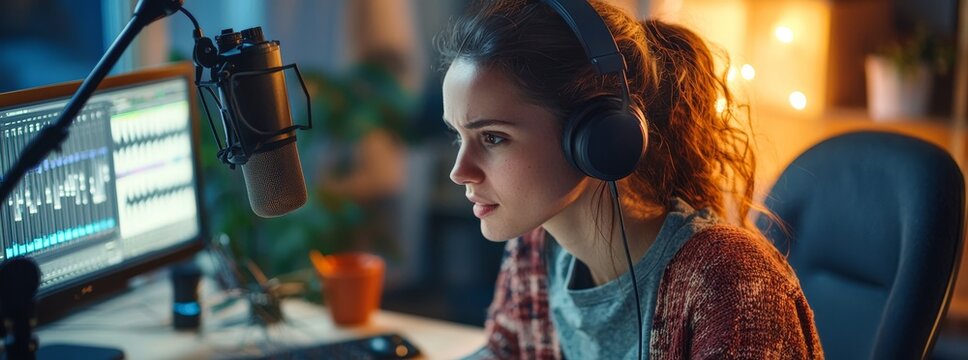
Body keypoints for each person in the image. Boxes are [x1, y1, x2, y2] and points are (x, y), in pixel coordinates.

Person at [436, 0, 824, 359]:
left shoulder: (728, 280)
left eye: (493, 138)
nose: (459, 171)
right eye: (458, 136)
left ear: (595, 136)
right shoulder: (534, 251)